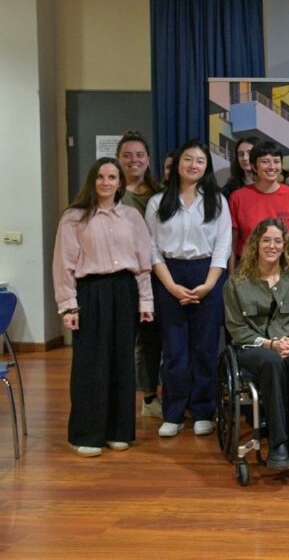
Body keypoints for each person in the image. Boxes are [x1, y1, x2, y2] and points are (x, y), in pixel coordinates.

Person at [53, 158, 153, 457]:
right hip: (91, 291)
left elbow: (143, 263)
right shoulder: (74, 217)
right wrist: (69, 307)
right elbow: (63, 265)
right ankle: (86, 434)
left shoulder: (132, 216)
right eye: (100, 177)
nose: (106, 182)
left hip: (125, 290)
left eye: (112, 177)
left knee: (122, 362)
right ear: (92, 181)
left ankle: (118, 431)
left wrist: (145, 301)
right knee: (90, 364)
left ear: (120, 183)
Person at [145, 141, 231, 438]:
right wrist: (170, 285)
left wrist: (209, 284)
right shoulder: (157, 202)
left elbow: (223, 246)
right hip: (169, 275)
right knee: (174, 350)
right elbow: (151, 248)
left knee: (205, 349)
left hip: (208, 274)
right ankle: (173, 413)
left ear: (206, 167)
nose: (193, 165)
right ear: (177, 163)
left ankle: (203, 411)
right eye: (188, 159)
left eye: (200, 161)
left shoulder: (217, 201)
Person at [224, 219, 289, 469]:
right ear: (255, 244)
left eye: (278, 241)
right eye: (266, 240)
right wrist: (270, 344)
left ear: (285, 246)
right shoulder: (237, 283)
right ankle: (278, 443)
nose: (272, 246)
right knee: (271, 361)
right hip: (254, 348)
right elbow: (237, 329)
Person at [116, 131, 164, 420]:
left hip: (156, 275)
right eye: (127, 155)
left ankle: (149, 396)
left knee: (150, 339)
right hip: (122, 276)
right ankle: (119, 400)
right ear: (118, 159)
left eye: (139, 155)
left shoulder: (160, 194)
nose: (134, 160)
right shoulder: (111, 193)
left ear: (147, 159)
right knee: (123, 339)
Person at [229, 140, 289, 261]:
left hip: (284, 264)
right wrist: (232, 270)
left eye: (276, 161)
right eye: (265, 162)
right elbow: (232, 242)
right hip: (248, 265)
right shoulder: (238, 198)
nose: (272, 167)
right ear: (254, 166)